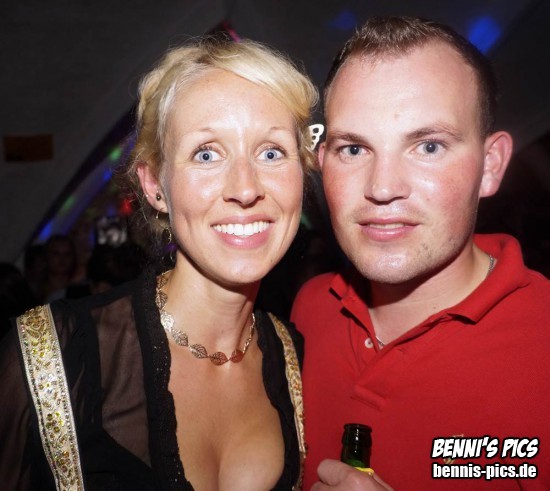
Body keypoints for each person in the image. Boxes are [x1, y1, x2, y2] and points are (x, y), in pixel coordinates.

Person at [0, 35, 317, 490]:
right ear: (154, 186)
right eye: (206, 154)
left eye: (271, 152)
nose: (246, 188)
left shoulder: (296, 361)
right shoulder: (52, 359)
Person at [291, 16, 550, 490]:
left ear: (490, 166)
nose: (382, 187)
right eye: (354, 149)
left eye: (428, 146)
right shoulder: (309, 308)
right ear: (323, 163)